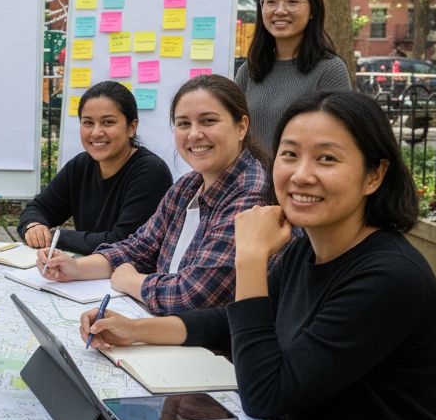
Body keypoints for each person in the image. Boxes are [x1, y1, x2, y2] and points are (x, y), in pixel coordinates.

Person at [81, 91, 436, 420]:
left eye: (326, 158)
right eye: (290, 154)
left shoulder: (388, 277)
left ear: (374, 175)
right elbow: (230, 321)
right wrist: (137, 330)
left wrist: (249, 259)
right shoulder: (308, 249)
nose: (301, 174)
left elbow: (267, 393)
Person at [38, 74, 268, 316]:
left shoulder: (251, 195)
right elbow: (141, 246)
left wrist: (130, 281)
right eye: (183, 124)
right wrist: (75, 268)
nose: (194, 134)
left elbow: (193, 295)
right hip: (163, 328)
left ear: (241, 127)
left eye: (208, 121)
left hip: (209, 348)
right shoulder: (188, 186)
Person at [18, 81, 172, 256]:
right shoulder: (81, 165)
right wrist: (34, 226)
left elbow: (123, 241)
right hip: (87, 273)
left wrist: (55, 236)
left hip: (132, 279)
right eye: (88, 123)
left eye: (108, 122)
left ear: (132, 127)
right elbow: (38, 208)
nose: (96, 132)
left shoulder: (151, 172)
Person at [235, 0, 351, 151]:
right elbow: (233, 134)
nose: (280, 10)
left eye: (292, 2)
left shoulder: (330, 69)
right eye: (271, 2)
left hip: (299, 178)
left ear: (313, 10)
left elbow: (338, 141)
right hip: (250, 179)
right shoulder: (249, 70)